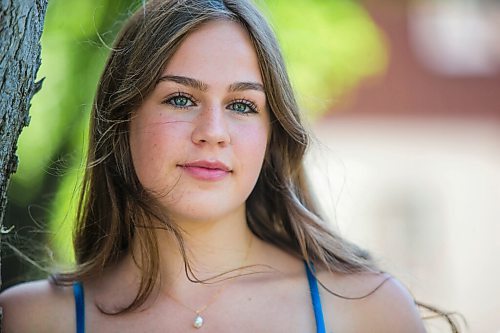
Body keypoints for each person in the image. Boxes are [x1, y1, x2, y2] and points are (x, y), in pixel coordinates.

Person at [0, 0, 457, 332]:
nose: (213, 131)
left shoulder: (366, 309)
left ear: (271, 131)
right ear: (122, 120)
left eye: (242, 105)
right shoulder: (31, 319)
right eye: (181, 98)